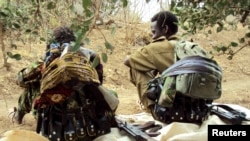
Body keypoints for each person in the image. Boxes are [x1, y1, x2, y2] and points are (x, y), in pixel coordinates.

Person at [13, 26, 119, 128]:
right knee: (111, 93)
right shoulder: (89, 57)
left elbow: (20, 80)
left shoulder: (47, 59)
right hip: (87, 116)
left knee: (30, 88)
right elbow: (98, 82)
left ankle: (18, 116)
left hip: (53, 120)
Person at [124, 11, 179, 111]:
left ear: (165, 29)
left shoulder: (159, 47)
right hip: (198, 106)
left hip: (174, 107)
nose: (152, 37)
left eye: (154, 32)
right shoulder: (190, 46)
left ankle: (152, 109)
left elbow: (128, 61)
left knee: (136, 67)